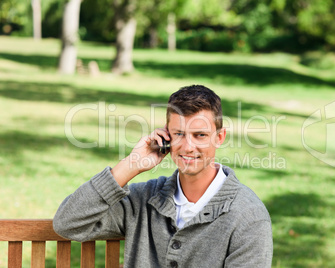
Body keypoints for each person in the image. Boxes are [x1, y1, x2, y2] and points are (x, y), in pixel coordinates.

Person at [53, 85, 273, 267]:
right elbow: (67, 223)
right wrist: (131, 165)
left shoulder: (248, 216)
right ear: (165, 136)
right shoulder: (143, 199)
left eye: (200, 135)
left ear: (219, 137)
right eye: (179, 134)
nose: (188, 147)